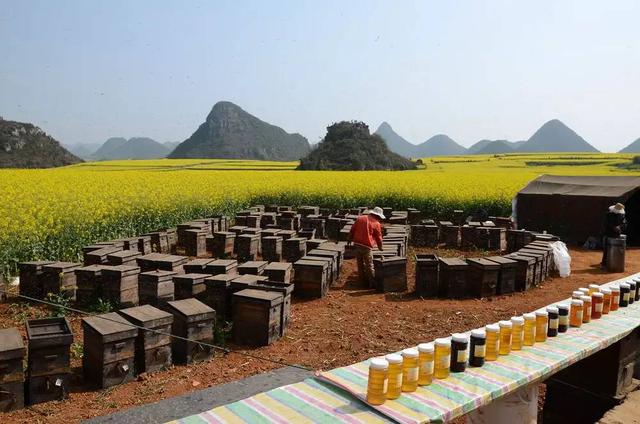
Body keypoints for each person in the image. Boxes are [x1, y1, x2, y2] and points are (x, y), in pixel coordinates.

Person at [348, 207, 384, 288]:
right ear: (377, 215)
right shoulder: (376, 223)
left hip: (357, 244)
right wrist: (380, 247)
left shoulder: (360, 218)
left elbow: (352, 229)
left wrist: (349, 238)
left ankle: (362, 283)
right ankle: (372, 283)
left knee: (360, 264)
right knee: (369, 265)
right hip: (367, 247)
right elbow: (379, 237)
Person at [601, 203, 626, 268]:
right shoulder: (608, 215)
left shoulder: (621, 215)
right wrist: (613, 227)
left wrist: (619, 227)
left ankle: (615, 262)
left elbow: (624, 224)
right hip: (608, 233)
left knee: (616, 250)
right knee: (606, 250)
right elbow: (606, 223)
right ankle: (604, 264)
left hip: (617, 234)